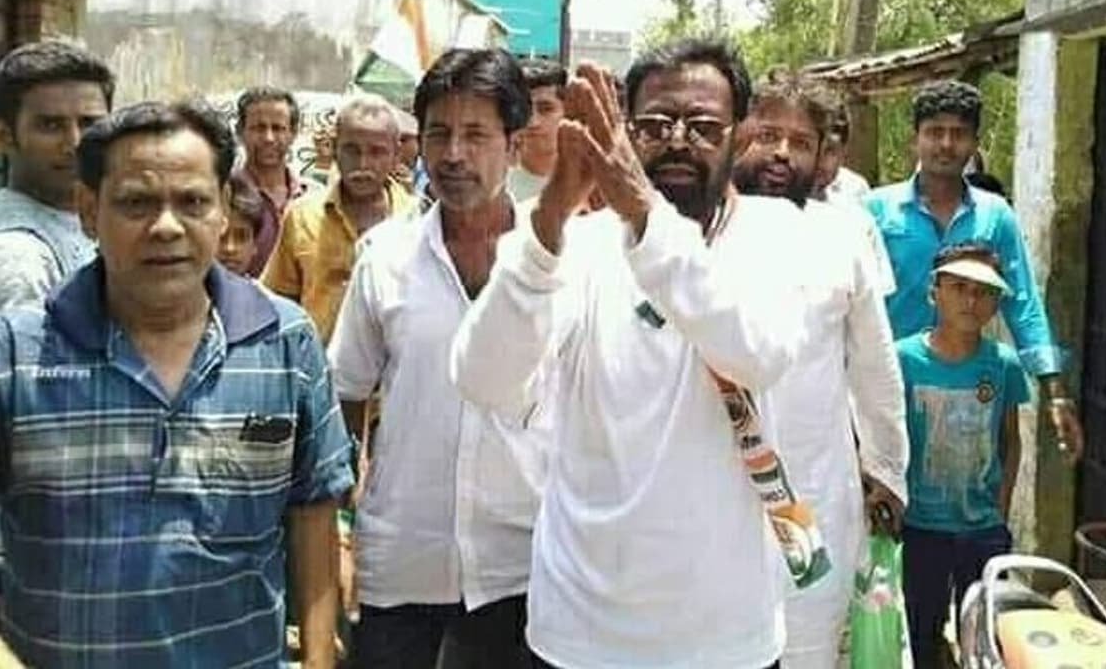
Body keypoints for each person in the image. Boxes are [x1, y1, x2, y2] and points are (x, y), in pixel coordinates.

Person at [453, 39, 811, 669]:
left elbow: (760, 354)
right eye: (654, 125)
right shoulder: (572, 244)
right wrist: (554, 211)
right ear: (625, 130)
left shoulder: (775, 237)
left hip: (725, 638)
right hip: (580, 634)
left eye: (702, 127)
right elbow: (485, 381)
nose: (677, 142)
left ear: (740, 135)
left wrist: (642, 210)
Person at [0, 99, 352, 667]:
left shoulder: (284, 341)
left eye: (192, 202)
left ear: (223, 211)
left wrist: (316, 659)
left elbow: (312, 509)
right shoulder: (16, 352)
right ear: (89, 210)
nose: (166, 227)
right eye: (136, 203)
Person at [330, 49, 546, 668]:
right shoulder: (385, 257)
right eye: (438, 134)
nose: (453, 155)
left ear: (514, 144)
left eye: (475, 135)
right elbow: (346, 394)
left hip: (527, 563)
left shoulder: (558, 261)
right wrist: (340, 533)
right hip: (403, 561)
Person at [732, 71, 908, 669]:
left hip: (807, 493)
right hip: (710, 493)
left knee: (805, 639)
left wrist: (887, 468)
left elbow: (875, 366)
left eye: (800, 142)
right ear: (737, 134)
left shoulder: (842, 235)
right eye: (768, 135)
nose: (782, 152)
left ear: (821, 157)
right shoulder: (691, 233)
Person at [865, 80, 1083, 462]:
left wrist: (1054, 390)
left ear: (974, 143)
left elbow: (1024, 303)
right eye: (935, 132)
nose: (946, 144)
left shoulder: (994, 216)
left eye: (959, 134)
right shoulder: (876, 211)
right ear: (915, 140)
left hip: (965, 395)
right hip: (886, 387)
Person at [896, 244, 1029, 669]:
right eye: (958, 288)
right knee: (921, 629)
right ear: (934, 292)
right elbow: (885, 438)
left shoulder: (1003, 364)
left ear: (996, 301)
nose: (971, 301)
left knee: (982, 632)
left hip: (982, 526)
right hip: (920, 526)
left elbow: (1010, 440)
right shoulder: (903, 359)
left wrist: (1000, 511)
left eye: (984, 291)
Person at [262, 94, 414, 343]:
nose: (363, 163)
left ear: (396, 154)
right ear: (334, 148)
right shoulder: (302, 216)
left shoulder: (416, 220)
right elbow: (278, 302)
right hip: (316, 363)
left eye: (377, 152)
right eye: (352, 150)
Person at [0, 41, 113, 310]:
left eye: (90, 124)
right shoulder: (18, 258)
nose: (75, 142)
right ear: (3, 137)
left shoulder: (98, 218)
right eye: (50, 125)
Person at [234, 86, 307, 276]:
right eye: (259, 128)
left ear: (293, 133)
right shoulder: (225, 197)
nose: (268, 138)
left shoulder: (313, 199)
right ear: (240, 132)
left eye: (278, 128)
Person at [506, 57, 566, 201]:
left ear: (567, 112)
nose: (533, 122)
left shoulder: (591, 185)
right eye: (523, 109)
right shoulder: (493, 186)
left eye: (546, 109)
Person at [813, 114, 871, 208]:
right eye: (809, 148)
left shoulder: (854, 189)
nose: (819, 160)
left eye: (829, 150)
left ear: (843, 153)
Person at [219, 170, 266, 276]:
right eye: (220, 237)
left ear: (254, 245)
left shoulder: (259, 288)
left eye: (242, 237)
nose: (230, 248)